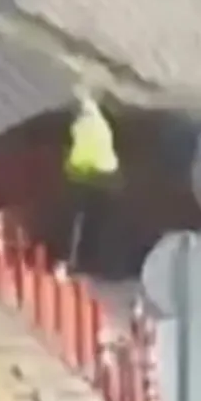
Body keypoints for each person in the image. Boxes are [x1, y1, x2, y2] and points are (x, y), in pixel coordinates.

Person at [61, 84, 120, 272]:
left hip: (88, 178)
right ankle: (97, 263)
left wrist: (68, 170)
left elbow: (76, 156)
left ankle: (74, 263)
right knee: (98, 223)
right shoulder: (100, 123)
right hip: (108, 177)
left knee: (78, 221)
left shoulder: (80, 126)